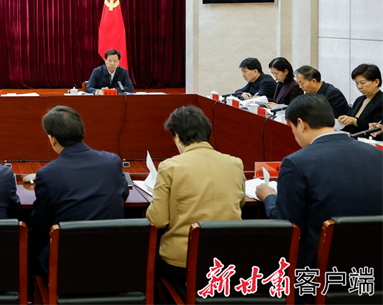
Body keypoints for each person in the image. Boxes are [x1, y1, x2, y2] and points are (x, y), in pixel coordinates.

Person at [256, 94, 383, 270]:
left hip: (319, 269)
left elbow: (286, 225)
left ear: (300, 124)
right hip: (374, 264)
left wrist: (269, 197)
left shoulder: (297, 163)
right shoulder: (377, 155)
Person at [146, 106, 245, 289]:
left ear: (177, 136)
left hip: (182, 263)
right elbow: (241, 204)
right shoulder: (235, 163)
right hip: (228, 260)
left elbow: (157, 220)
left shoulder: (170, 166)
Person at [32, 106, 130, 275]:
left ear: (52, 139)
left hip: (67, 266)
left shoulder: (48, 174)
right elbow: (124, 194)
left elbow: (40, 225)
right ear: (82, 132)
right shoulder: (112, 162)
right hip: (112, 262)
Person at [337, 63, 383, 138]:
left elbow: (376, 128)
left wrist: (355, 121)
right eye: (357, 83)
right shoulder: (360, 100)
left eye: (362, 83)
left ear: (376, 82)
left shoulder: (381, 101)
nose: (359, 86)